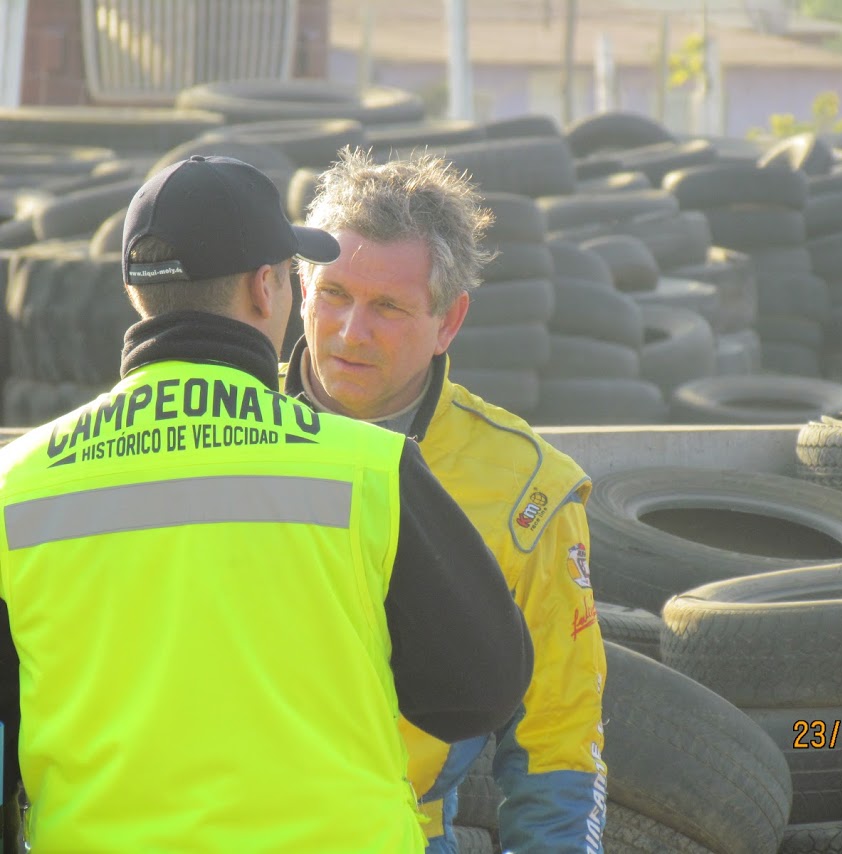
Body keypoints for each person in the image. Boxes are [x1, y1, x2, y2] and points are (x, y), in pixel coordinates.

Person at [0, 155, 534, 851]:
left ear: (136, 292)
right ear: (265, 287)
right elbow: (482, 692)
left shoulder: (17, 483)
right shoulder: (369, 469)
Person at [282, 149, 608, 853]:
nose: (351, 332)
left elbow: (556, 739)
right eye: (334, 294)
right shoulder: (211, 435)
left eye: (388, 307)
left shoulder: (526, 491)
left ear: (448, 321)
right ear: (300, 289)